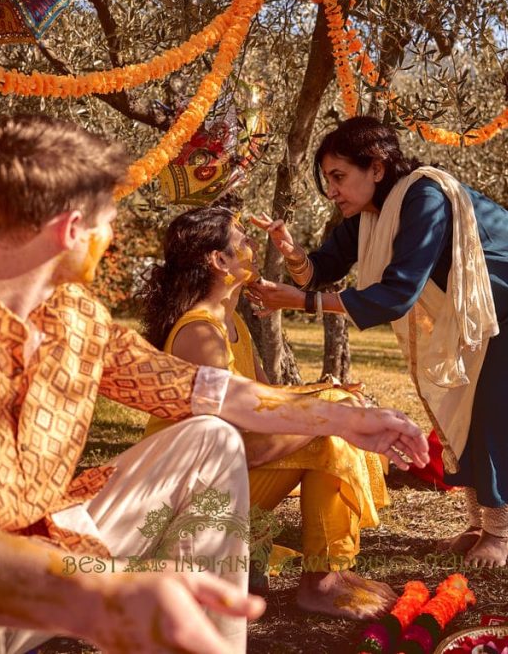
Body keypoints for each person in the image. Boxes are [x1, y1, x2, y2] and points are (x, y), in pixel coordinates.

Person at [0, 114, 430, 654]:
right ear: (71, 230)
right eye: (110, 222)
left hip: (58, 554)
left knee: (207, 440)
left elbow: (209, 393)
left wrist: (340, 419)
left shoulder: (80, 321)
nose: (114, 239)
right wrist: (91, 596)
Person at [248, 116, 508, 569]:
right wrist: (292, 253)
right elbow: (322, 269)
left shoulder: (424, 197)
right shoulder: (369, 215)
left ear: (376, 167)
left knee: (497, 404)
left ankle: (498, 534)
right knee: (469, 400)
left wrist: (302, 301)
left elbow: (398, 293)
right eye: (327, 180)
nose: (332, 191)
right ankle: (477, 526)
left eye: (339, 177)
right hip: (501, 309)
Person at [137, 205, 395, 620]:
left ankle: (327, 574)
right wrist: (330, 413)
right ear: (219, 261)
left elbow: (269, 406)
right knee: (332, 437)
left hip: (225, 483)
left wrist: (325, 396)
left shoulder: (231, 320)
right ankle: (321, 582)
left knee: (335, 423)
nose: (253, 245)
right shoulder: (200, 332)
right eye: (242, 238)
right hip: (186, 502)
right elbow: (240, 446)